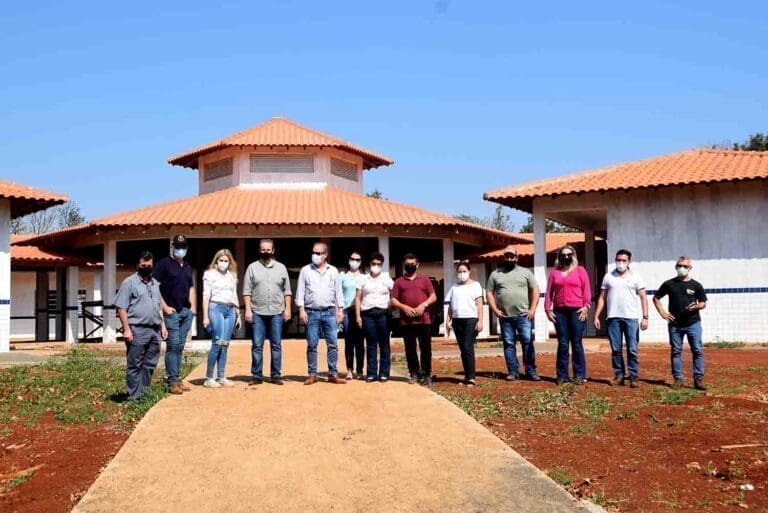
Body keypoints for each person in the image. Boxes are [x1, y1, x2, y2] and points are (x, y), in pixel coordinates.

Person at [115, 251, 167, 400]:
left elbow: (157, 307)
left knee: (150, 363)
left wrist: (162, 326)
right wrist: (126, 330)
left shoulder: (155, 284)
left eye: (149, 265)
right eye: (143, 265)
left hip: (154, 329)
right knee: (135, 364)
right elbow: (121, 308)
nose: (146, 267)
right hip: (137, 329)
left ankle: (144, 392)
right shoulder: (129, 283)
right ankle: (133, 396)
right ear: (137, 265)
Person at [594, 249, 649, 388]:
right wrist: (596, 315)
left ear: (629, 261)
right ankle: (619, 375)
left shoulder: (636, 277)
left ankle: (633, 376)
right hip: (613, 319)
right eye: (618, 260)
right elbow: (602, 297)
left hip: (631, 319)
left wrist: (645, 317)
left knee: (632, 349)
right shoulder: (608, 277)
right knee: (616, 349)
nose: (621, 263)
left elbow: (643, 297)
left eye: (624, 260)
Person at [652, 256, 708, 391]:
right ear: (676, 267)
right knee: (676, 351)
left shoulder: (696, 285)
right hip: (675, 325)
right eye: (679, 265)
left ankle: (698, 379)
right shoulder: (669, 284)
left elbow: (703, 303)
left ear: (690, 268)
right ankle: (678, 379)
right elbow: (656, 298)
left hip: (693, 323)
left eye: (685, 266)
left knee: (697, 350)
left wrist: (696, 307)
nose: (681, 268)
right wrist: (663, 313)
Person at [486, 246, 541, 381]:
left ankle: (530, 371)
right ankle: (513, 371)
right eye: (507, 256)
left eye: (512, 256)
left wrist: (532, 309)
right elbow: (489, 293)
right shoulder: (495, 274)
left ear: (516, 257)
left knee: (527, 342)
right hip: (505, 317)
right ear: (504, 257)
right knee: (509, 344)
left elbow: (535, 290)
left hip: (524, 316)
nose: (509, 258)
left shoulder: (526, 272)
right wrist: (495, 309)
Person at [242, 239, 292, 386]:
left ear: (273, 250)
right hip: (258, 311)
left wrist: (288, 309)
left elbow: (287, 291)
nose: (266, 252)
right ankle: (256, 375)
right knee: (257, 345)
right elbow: (246, 291)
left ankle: (275, 375)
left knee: (276, 344)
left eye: (268, 249)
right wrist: (248, 310)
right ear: (259, 250)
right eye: (263, 249)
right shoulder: (252, 268)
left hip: (277, 312)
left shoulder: (281, 268)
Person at [295, 242, 346, 385]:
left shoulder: (333, 271)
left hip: (329, 312)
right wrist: (301, 309)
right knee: (312, 344)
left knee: (333, 344)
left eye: (318, 253)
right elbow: (300, 291)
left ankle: (333, 374)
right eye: (313, 252)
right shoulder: (305, 270)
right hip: (311, 313)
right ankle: (312, 374)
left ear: (325, 255)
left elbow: (338, 292)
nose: (315, 256)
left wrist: (340, 309)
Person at [153, 234, 196, 395]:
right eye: (178, 246)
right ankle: (172, 381)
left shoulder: (187, 266)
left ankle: (177, 379)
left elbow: (191, 287)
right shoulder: (163, 264)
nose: (181, 249)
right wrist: (164, 307)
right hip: (171, 312)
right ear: (172, 247)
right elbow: (155, 286)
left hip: (186, 312)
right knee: (172, 346)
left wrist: (192, 308)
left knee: (180, 346)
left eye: (183, 246)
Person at [545, 245, 592, 385]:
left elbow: (586, 291)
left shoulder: (580, 271)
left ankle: (579, 374)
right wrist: (548, 309)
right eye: (563, 254)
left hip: (577, 311)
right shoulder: (554, 273)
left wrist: (586, 306)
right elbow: (549, 293)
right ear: (559, 257)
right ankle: (562, 375)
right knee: (563, 343)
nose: (566, 257)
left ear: (573, 255)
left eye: (569, 254)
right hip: (560, 313)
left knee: (576, 342)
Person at [391, 253, 437, 387]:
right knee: (410, 348)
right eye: (407, 264)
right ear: (404, 265)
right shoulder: (399, 282)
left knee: (426, 348)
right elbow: (393, 299)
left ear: (417, 265)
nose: (409, 266)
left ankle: (427, 374)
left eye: (412, 264)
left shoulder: (425, 280)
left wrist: (424, 305)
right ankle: (414, 373)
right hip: (406, 321)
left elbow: (433, 296)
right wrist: (403, 307)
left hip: (424, 320)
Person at [202, 249, 241, 388]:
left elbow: (234, 295)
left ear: (230, 262)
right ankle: (208, 377)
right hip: (215, 307)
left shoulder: (232, 276)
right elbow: (206, 296)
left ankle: (221, 376)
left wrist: (238, 315)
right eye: (221, 260)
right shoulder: (209, 274)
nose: (223, 263)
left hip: (230, 309)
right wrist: (205, 316)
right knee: (217, 342)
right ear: (216, 261)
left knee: (225, 344)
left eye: (226, 261)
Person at [355, 252, 394, 383]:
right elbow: (358, 298)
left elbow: (394, 293)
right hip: (367, 314)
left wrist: (391, 307)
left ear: (382, 265)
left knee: (384, 344)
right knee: (371, 344)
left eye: (378, 264)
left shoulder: (386, 278)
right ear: (369, 265)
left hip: (383, 314)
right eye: (373, 264)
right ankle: (371, 373)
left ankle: (384, 373)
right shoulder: (363, 279)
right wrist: (358, 316)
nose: (376, 266)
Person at [446, 262, 484, 386]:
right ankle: (467, 376)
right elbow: (451, 305)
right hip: (457, 320)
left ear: (469, 272)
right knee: (463, 348)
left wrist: (480, 320)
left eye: (464, 271)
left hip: (470, 319)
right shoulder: (454, 287)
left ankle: (472, 377)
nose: (461, 274)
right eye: (459, 272)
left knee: (468, 346)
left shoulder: (475, 285)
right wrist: (448, 319)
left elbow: (479, 304)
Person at [341, 251, 366, 379]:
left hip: (360, 312)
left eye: (357, 259)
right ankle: (349, 370)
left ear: (361, 262)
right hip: (346, 312)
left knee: (360, 342)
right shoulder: (342, 276)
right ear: (348, 260)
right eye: (352, 258)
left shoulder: (365, 277)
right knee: (349, 342)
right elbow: (337, 295)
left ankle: (360, 370)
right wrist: (338, 311)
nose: (354, 261)